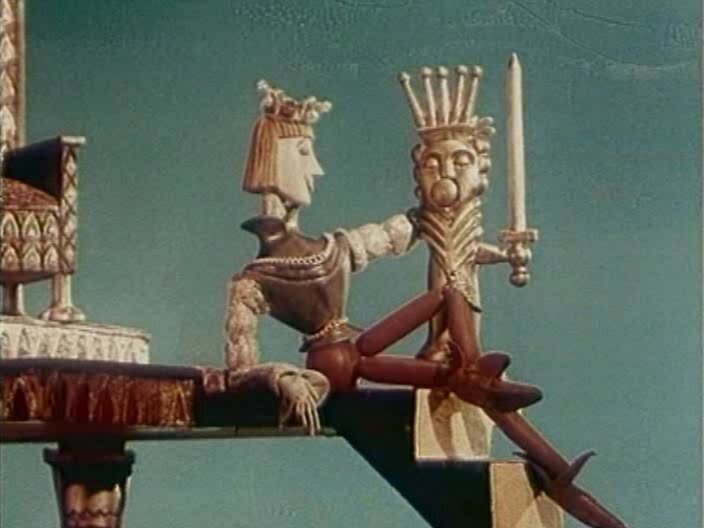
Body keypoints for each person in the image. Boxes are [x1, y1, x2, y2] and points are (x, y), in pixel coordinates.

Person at [224, 80, 542, 434]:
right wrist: (283, 378)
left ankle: (475, 375)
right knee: (461, 373)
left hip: (360, 350)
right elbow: (239, 373)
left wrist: (444, 182)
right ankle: (477, 381)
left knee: (452, 295)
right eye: (303, 153)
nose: (315, 168)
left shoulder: (332, 248)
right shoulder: (252, 283)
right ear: (273, 162)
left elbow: (396, 232)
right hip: (336, 369)